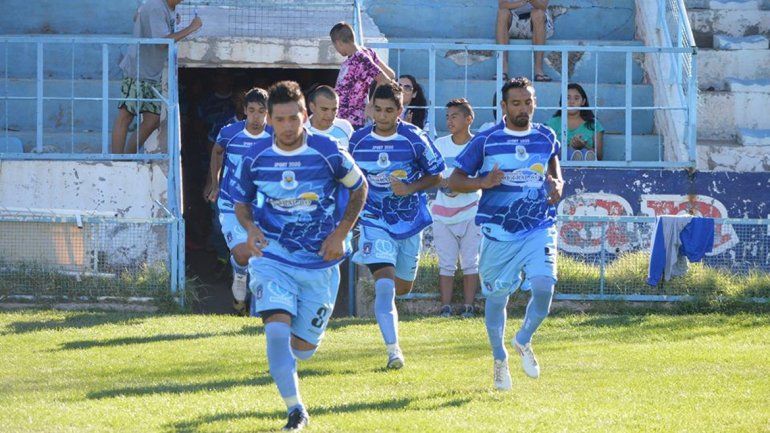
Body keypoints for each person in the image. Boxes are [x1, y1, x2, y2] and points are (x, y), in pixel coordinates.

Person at [232, 81, 367, 431]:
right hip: (273, 258)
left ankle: (287, 368)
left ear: (305, 116)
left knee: (303, 348)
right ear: (270, 121)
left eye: (295, 118)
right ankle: (296, 410)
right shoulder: (255, 158)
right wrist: (250, 229)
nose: (289, 126)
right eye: (281, 120)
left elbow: (360, 187)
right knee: (276, 331)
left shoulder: (328, 150)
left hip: (320, 261)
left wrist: (341, 233)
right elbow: (241, 204)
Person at [448, 77, 564, 391]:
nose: (523, 108)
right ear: (504, 106)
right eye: (516, 103)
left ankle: (523, 339)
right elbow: (455, 181)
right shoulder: (487, 140)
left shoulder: (546, 136)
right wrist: (482, 182)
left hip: (539, 226)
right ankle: (500, 359)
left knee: (543, 288)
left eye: (528, 102)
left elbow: (554, 168)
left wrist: (557, 185)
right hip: (498, 233)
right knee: (497, 300)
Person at [349, 82, 445, 369]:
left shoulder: (414, 138)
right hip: (374, 220)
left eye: (389, 110)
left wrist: (410, 188)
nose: (382, 116)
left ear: (400, 110)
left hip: (409, 222)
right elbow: (348, 180)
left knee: (402, 287)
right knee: (385, 287)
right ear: (369, 108)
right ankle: (394, 351)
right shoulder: (358, 141)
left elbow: (437, 176)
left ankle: (393, 336)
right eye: (377, 109)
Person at [204, 87, 271, 315]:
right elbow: (217, 151)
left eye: (261, 111)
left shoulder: (275, 136)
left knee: (261, 257)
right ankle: (239, 277)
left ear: (267, 112)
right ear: (244, 110)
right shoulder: (229, 132)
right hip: (230, 204)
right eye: (251, 111)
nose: (256, 117)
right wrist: (214, 182)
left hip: (261, 208)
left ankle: (251, 308)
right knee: (243, 254)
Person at [112, 0, 202, 154]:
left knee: (152, 121)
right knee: (126, 116)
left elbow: (139, 17)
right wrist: (191, 28)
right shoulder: (156, 7)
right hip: (138, 69)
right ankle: (116, 162)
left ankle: (126, 158)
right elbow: (161, 42)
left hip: (152, 73)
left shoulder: (167, 8)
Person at [431, 99, 481, 318]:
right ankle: (446, 307)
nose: (450, 120)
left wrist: (462, 187)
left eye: (455, 116)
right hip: (442, 214)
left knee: (471, 262)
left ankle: (469, 307)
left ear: (468, 119)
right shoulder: (440, 144)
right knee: (446, 263)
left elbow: (482, 177)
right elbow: (432, 174)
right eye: (447, 116)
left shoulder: (478, 144)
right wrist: (443, 183)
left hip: (472, 212)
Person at [330, 21, 396, 129]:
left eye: (335, 46)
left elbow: (385, 79)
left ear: (339, 43)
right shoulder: (368, 52)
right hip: (344, 119)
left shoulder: (361, 58)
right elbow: (391, 74)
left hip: (353, 120)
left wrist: (371, 105)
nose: (337, 50)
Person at [496, 0, 554, 82]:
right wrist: (522, 2)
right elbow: (502, 5)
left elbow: (543, 6)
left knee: (538, 14)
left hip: (535, 22)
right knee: (502, 13)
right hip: (514, 20)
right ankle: (502, 69)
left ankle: (538, 70)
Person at [546, 83, 605, 161]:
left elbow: (599, 156)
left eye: (576, 98)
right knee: (565, 152)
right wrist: (569, 147)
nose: (571, 102)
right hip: (560, 167)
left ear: (583, 102)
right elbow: (546, 150)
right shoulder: (552, 123)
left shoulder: (594, 124)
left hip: (588, 168)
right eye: (567, 98)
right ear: (562, 101)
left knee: (585, 153)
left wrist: (584, 146)